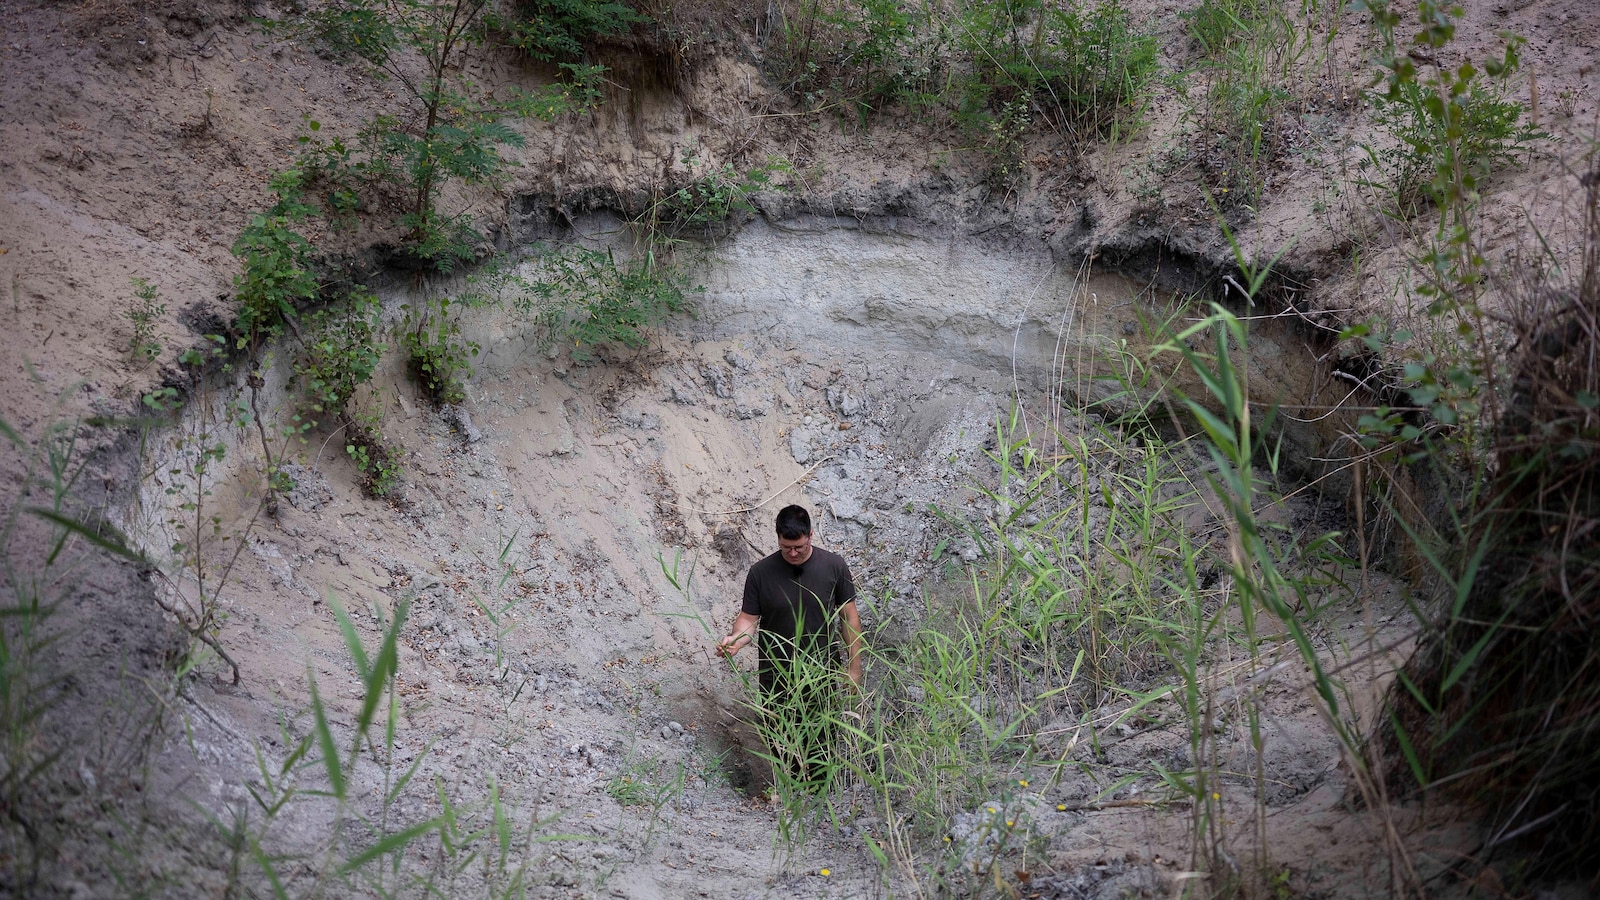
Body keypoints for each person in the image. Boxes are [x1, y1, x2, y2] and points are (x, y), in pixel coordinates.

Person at [716, 505, 863, 788]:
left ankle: (822, 800)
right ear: (778, 539)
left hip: (822, 674)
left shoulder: (834, 566)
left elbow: (849, 619)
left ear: (810, 535)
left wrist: (854, 668)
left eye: (799, 547)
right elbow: (748, 620)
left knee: (822, 744)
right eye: (786, 548)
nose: (793, 554)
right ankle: (788, 798)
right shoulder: (760, 573)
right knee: (782, 745)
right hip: (776, 678)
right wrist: (734, 641)